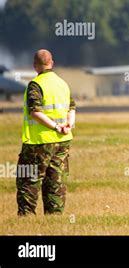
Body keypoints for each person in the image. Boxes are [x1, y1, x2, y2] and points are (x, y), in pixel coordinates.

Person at [16, 49, 76, 215]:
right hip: (62, 141)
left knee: (28, 181)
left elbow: (35, 111)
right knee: (55, 181)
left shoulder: (36, 84)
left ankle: (26, 219)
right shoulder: (62, 84)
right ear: (52, 63)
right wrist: (68, 126)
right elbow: (72, 108)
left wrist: (55, 127)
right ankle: (54, 217)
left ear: (35, 66)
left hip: (39, 142)